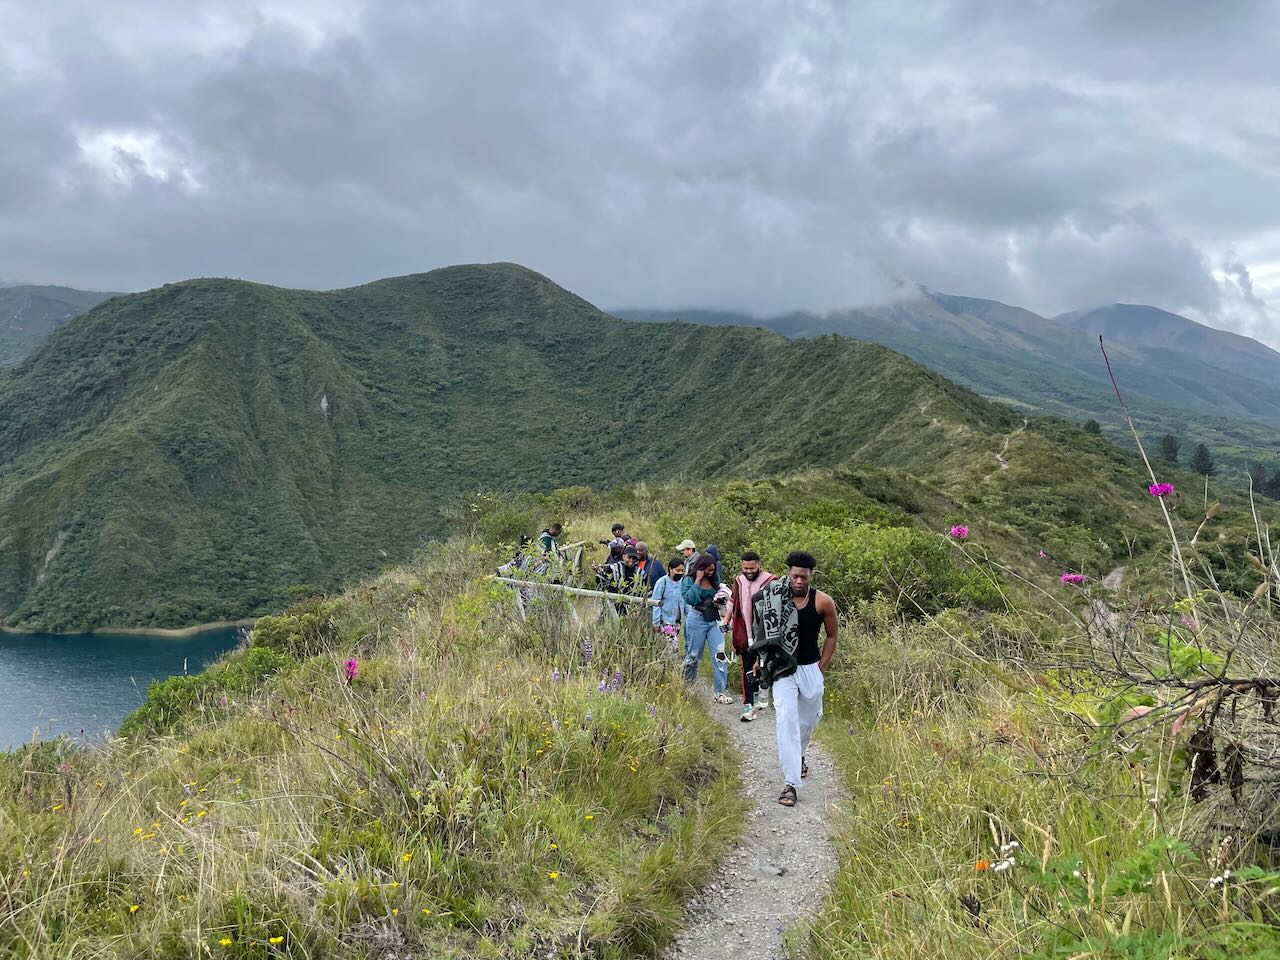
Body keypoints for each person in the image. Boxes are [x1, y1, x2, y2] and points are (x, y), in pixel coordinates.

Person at [750, 550, 838, 807]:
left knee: (809, 720)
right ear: (789, 573)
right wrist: (759, 660)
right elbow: (763, 633)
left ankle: (798, 756)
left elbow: (832, 636)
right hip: (781, 669)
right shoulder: (773, 598)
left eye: (805, 578)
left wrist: (821, 667)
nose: (800, 581)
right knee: (786, 720)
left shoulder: (823, 602)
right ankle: (790, 785)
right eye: (796, 576)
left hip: (810, 668)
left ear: (811, 576)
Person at [726, 551, 777, 722]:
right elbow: (733, 601)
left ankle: (765, 698)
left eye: (752, 568)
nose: (749, 571)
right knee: (747, 666)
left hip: (763, 632)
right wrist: (727, 621)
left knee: (764, 665)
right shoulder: (739, 581)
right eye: (745, 568)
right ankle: (748, 703)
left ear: (759, 565)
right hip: (744, 631)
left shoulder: (771, 581)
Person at [680, 554, 732, 703]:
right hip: (696, 618)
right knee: (693, 655)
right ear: (700, 568)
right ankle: (687, 686)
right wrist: (697, 580)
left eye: (712, 570)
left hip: (714, 619)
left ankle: (720, 692)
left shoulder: (714, 580)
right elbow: (690, 599)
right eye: (708, 570)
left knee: (720, 654)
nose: (710, 573)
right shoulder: (688, 580)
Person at [650, 557, 686, 645]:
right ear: (670, 569)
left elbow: (685, 601)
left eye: (682, 571)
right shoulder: (662, 582)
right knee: (672, 646)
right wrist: (656, 622)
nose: (680, 573)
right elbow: (656, 602)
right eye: (678, 570)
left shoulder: (683, 582)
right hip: (665, 620)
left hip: (678, 620)